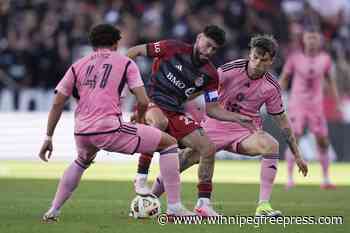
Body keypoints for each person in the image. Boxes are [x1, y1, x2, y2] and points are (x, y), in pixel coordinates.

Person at [38, 24, 194, 223]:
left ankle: (54, 210)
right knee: (169, 143)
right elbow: (143, 100)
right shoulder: (125, 63)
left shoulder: (77, 65)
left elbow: (58, 101)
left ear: (93, 43)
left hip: (82, 131)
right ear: (116, 43)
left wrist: (48, 137)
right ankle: (174, 208)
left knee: (81, 161)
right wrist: (140, 118)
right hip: (109, 127)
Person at [150, 34, 309, 216]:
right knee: (184, 159)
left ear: (271, 61)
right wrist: (170, 103)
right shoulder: (229, 70)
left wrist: (297, 155)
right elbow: (201, 88)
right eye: (255, 57)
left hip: (245, 131)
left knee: (271, 145)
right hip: (215, 124)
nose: (257, 63)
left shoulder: (271, 86)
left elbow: (282, 120)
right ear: (250, 54)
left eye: (263, 60)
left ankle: (263, 207)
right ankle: (150, 198)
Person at [127, 25, 254, 216]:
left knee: (208, 149)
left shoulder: (210, 75)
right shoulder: (171, 47)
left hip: (175, 112)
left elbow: (212, 109)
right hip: (152, 102)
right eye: (207, 44)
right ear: (199, 37)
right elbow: (133, 51)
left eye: (214, 49)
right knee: (159, 123)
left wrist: (238, 118)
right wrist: (128, 84)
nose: (209, 51)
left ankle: (203, 204)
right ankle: (141, 176)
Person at [279, 28, 341, 190]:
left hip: (316, 106)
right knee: (295, 138)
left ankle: (326, 179)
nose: (312, 41)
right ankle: (290, 179)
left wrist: (337, 104)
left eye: (315, 38)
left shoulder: (325, 59)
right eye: (309, 37)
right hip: (297, 104)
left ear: (319, 41)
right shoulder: (295, 58)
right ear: (304, 39)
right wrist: (275, 97)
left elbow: (331, 82)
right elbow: (284, 79)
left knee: (323, 141)